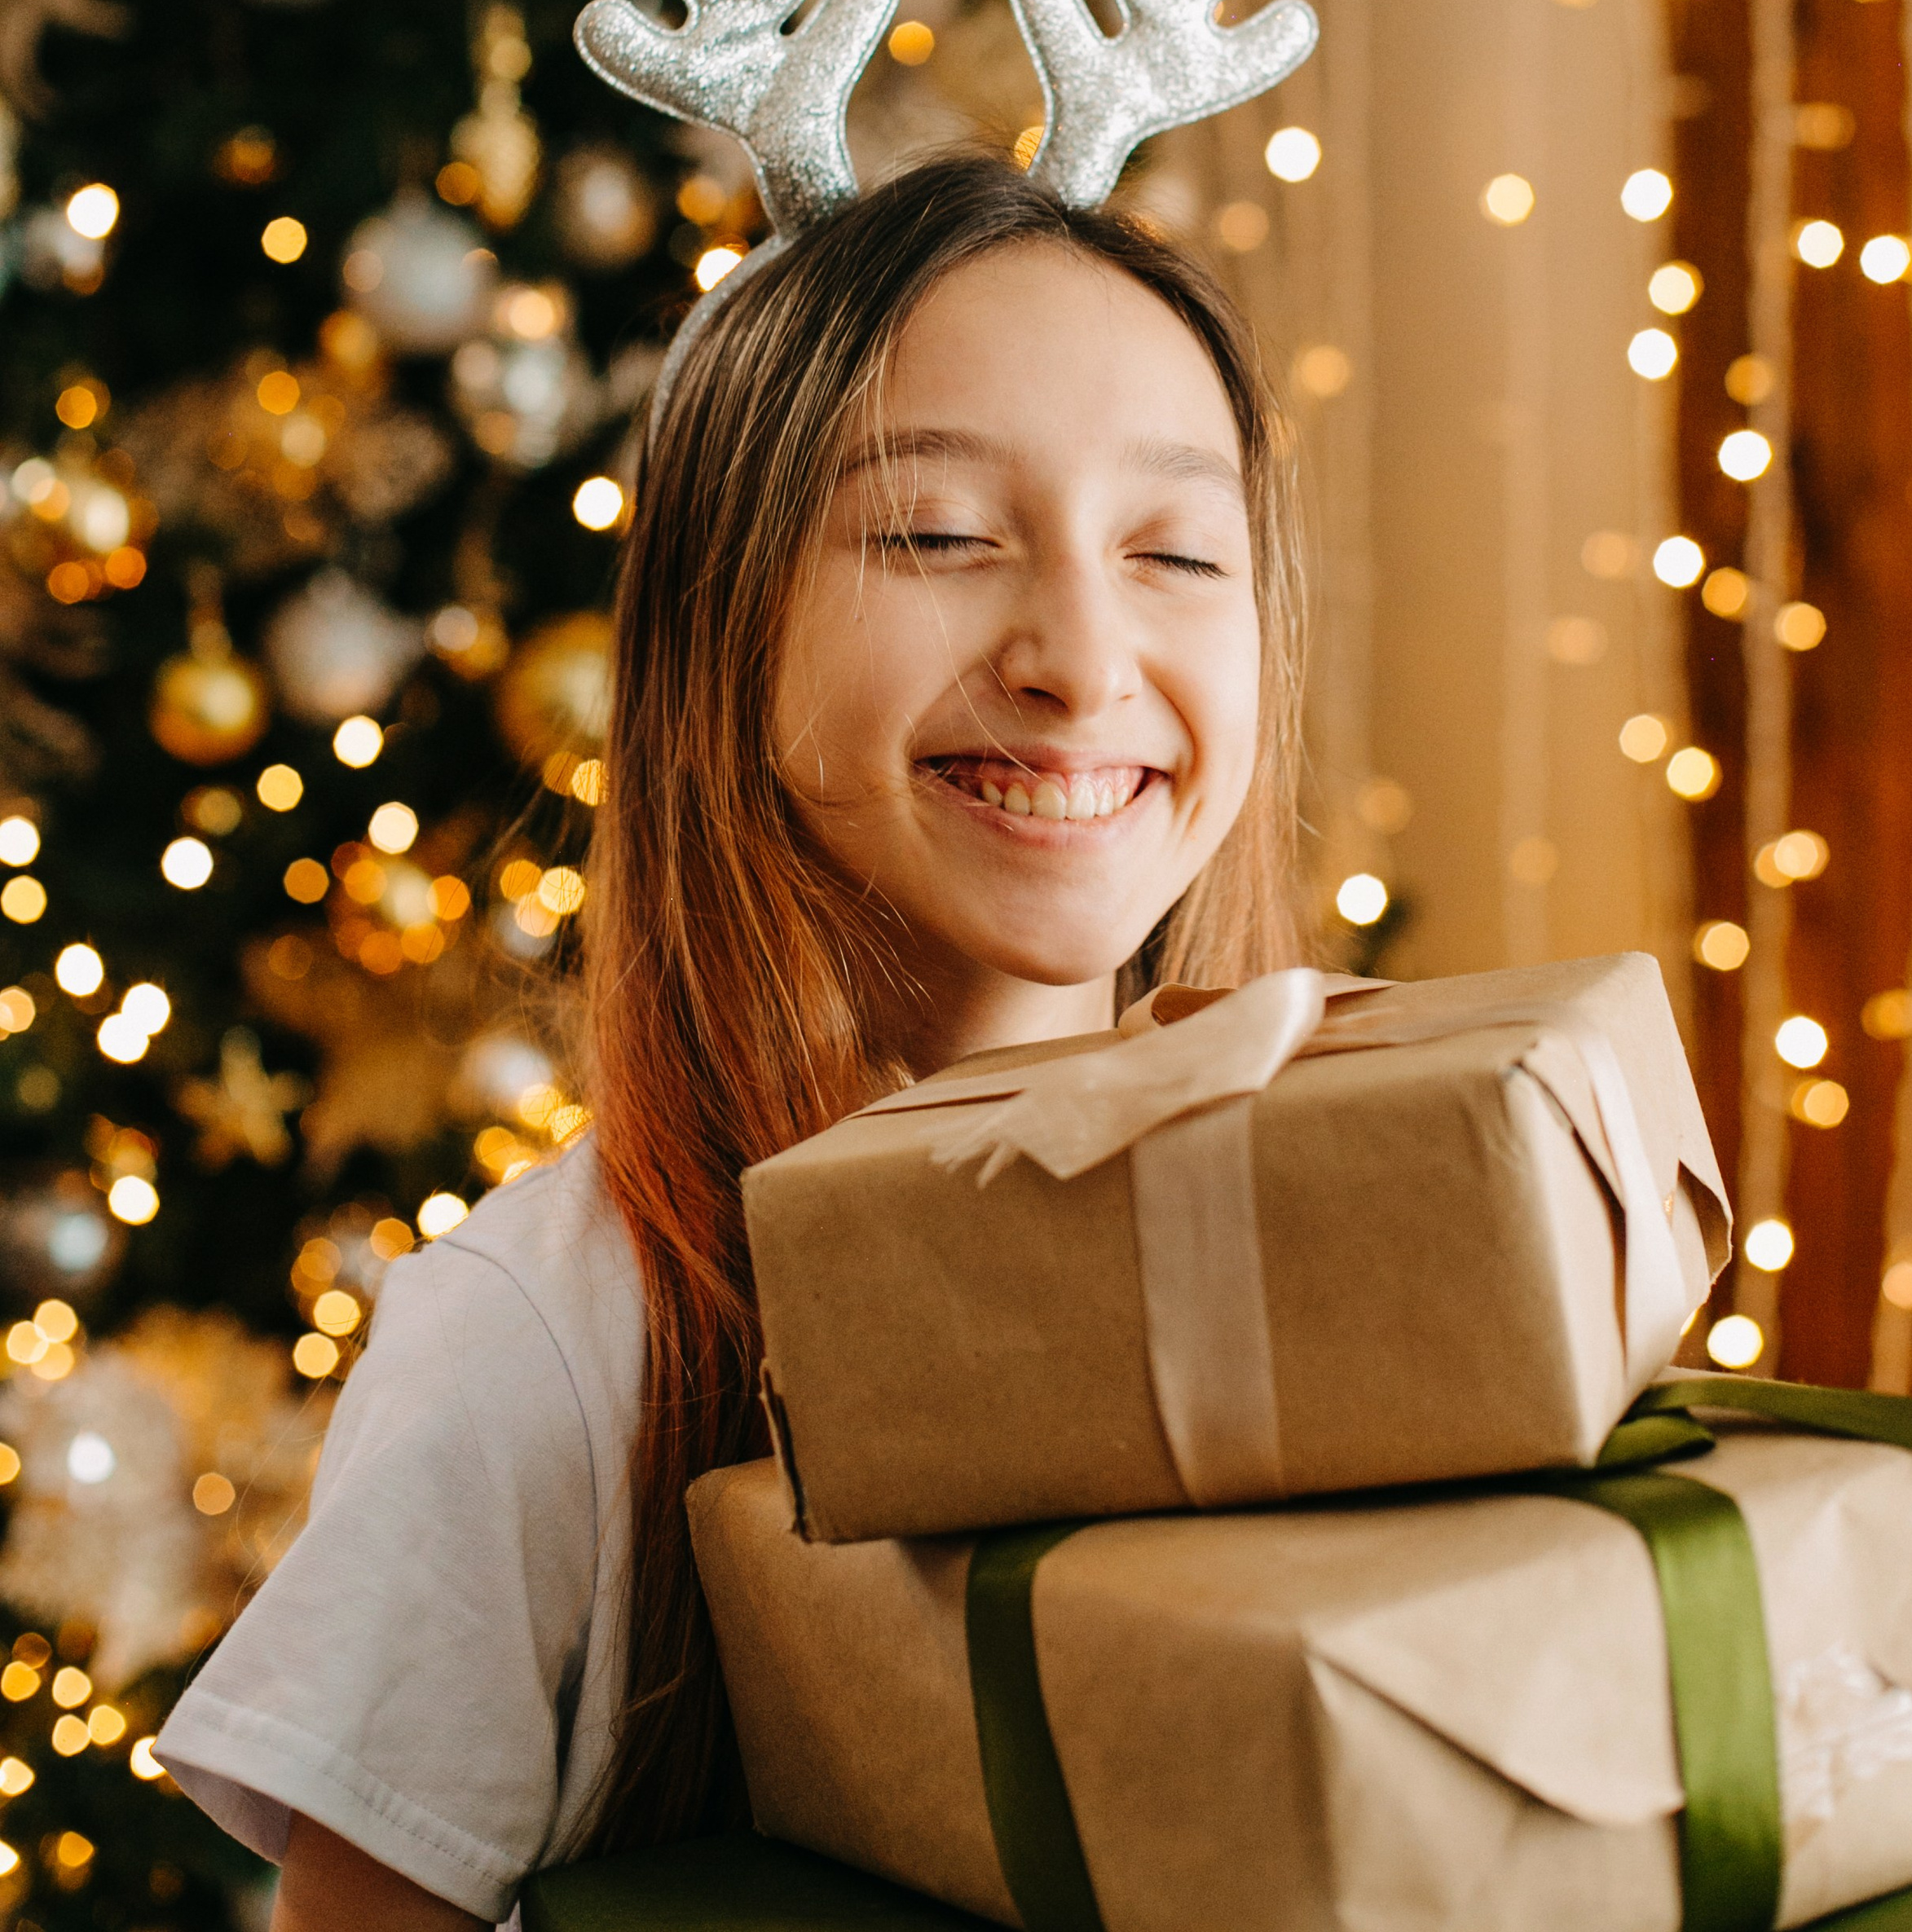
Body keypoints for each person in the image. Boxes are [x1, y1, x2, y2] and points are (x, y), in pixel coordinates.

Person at [156, 148, 1310, 1932]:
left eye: (1172, 550)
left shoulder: (1327, 1237)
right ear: (722, 619)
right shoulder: (547, 1345)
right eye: (934, 533)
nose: (1083, 659)